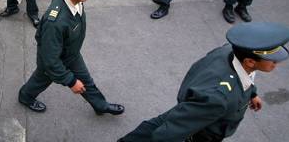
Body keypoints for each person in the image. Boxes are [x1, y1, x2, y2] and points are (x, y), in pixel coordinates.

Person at [118, 22, 289, 142]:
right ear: (250, 62)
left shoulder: (231, 50)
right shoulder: (220, 98)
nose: (277, 63)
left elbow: (245, 77)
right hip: (201, 132)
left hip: (195, 106)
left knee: (155, 126)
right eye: (273, 60)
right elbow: (167, 135)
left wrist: (252, 93)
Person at [18, 0, 125, 115]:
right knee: (40, 81)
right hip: (52, 60)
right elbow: (51, 60)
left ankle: (100, 105)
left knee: (87, 81)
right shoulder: (55, 22)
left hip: (71, 53)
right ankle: (25, 97)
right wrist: (71, 81)